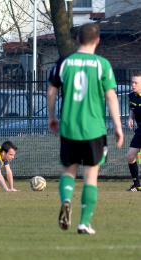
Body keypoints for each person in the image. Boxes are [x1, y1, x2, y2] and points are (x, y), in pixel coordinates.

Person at [47, 23, 124, 235]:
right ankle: (83, 223)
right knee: (91, 176)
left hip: (69, 127)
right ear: (98, 41)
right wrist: (118, 126)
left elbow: (52, 92)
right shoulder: (102, 64)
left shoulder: (64, 62)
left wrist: (52, 117)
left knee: (69, 171)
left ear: (77, 40)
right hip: (94, 129)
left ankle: (65, 200)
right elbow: (110, 96)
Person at [126, 73, 141, 191]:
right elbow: (133, 108)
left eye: (136, 83)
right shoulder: (131, 96)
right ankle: (137, 185)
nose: (133, 85)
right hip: (140, 130)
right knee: (130, 156)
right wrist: (131, 118)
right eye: (132, 82)